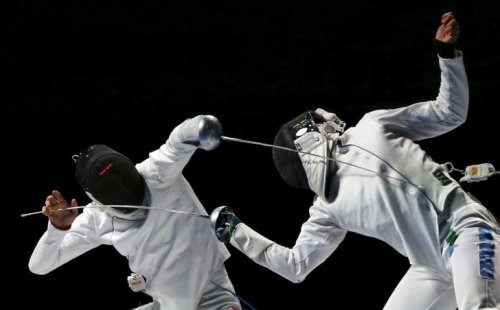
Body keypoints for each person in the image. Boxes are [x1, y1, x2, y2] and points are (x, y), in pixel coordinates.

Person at [212, 12, 500, 309]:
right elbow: (296, 265)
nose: (328, 121)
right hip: (428, 267)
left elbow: (448, 113)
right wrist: (236, 231)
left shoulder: (372, 127)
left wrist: (447, 55)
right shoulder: (328, 203)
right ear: (307, 142)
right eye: (316, 125)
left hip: (464, 227)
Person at [29, 115, 242, 310]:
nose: (120, 185)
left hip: (213, 295)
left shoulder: (156, 173)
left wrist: (201, 126)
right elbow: (39, 266)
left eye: (121, 174)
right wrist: (58, 228)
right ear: (95, 197)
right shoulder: (96, 218)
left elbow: (178, 139)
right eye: (108, 188)